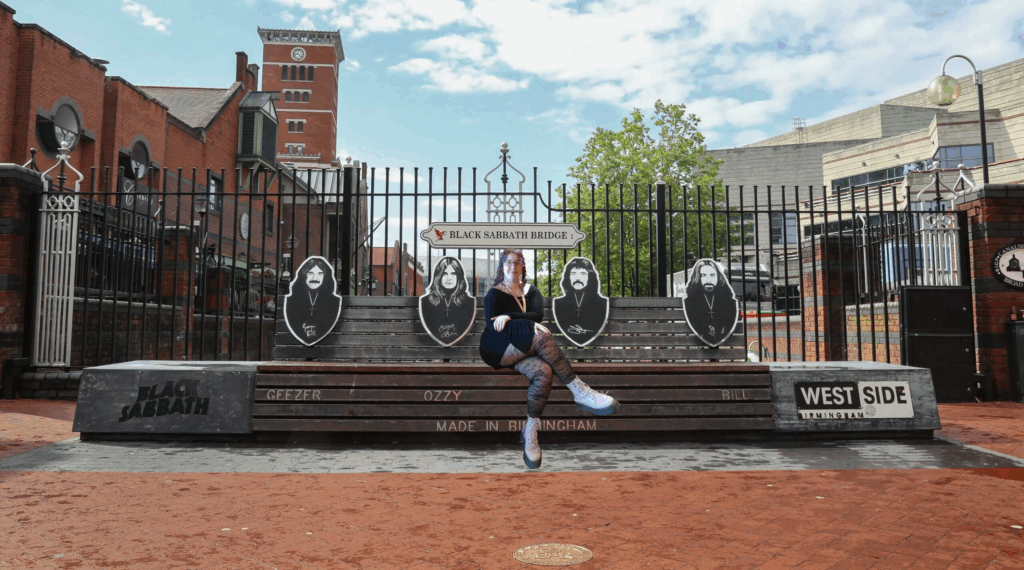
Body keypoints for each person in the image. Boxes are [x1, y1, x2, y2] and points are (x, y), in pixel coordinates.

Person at [479, 249, 619, 469]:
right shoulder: (494, 294)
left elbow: (537, 315)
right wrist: (523, 323)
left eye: (517, 263)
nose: (512, 267)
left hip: (525, 349)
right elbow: (493, 325)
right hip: (498, 349)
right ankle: (580, 391)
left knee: (544, 372)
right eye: (508, 262)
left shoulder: (531, 291)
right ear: (501, 266)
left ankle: (530, 430)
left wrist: (510, 316)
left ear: (522, 266)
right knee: (540, 335)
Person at [283, 256, 343, 346]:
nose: (315, 278)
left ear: (326, 276)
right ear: (303, 274)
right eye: (310, 273)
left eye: (320, 274)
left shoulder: (335, 301)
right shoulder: (291, 300)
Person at [552, 256, 609, 347]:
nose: (577, 278)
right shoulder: (558, 303)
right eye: (573, 274)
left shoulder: (602, 302)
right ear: (568, 277)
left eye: (583, 274)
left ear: (590, 277)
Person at [419, 256, 476, 347]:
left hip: (461, 348)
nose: (449, 278)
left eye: (453, 274)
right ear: (438, 276)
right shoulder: (425, 301)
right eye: (445, 274)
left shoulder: (469, 302)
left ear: (459, 277)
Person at [681, 259, 739, 347]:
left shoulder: (728, 300)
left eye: (712, 275)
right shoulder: (690, 301)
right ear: (697, 278)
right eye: (703, 275)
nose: (708, 280)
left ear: (718, 277)